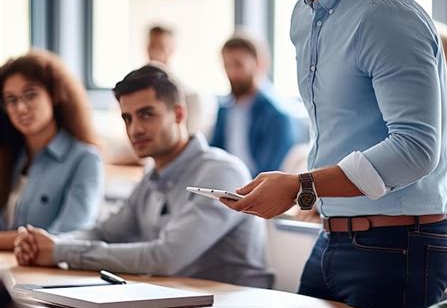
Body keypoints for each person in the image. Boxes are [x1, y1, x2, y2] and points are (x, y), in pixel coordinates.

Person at [221, 0, 447, 308]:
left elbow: (416, 149)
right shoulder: (304, 16)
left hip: (399, 247)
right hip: (333, 237)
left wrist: (299, 186)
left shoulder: (385, 15)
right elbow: (340, 137)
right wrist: (304, 195)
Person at [13, 65, 273, 288]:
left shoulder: (221, 171)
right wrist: (50, 244)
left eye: (146, 115)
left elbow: (166, 257)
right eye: (127, 118)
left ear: (179, 114)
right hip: (174, 303)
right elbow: (105, 231)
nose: (134, 129)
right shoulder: (152, 177)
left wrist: (59, 251)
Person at [0, 49, 104, 249]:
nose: (21, 108)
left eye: (30, 95)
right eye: (11, 100)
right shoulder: (12, 158)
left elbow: (69, 235)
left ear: (54, 95)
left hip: (48, 277)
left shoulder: (85, 159)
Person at [210, 34, 295, 176]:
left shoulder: (276, 115)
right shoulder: (224, 110)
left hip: (256, 187)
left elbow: (270, 170)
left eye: (238, 65)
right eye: (227, 65)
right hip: (225, 181)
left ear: (259, 64)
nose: (231, 73)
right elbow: (214, 154)